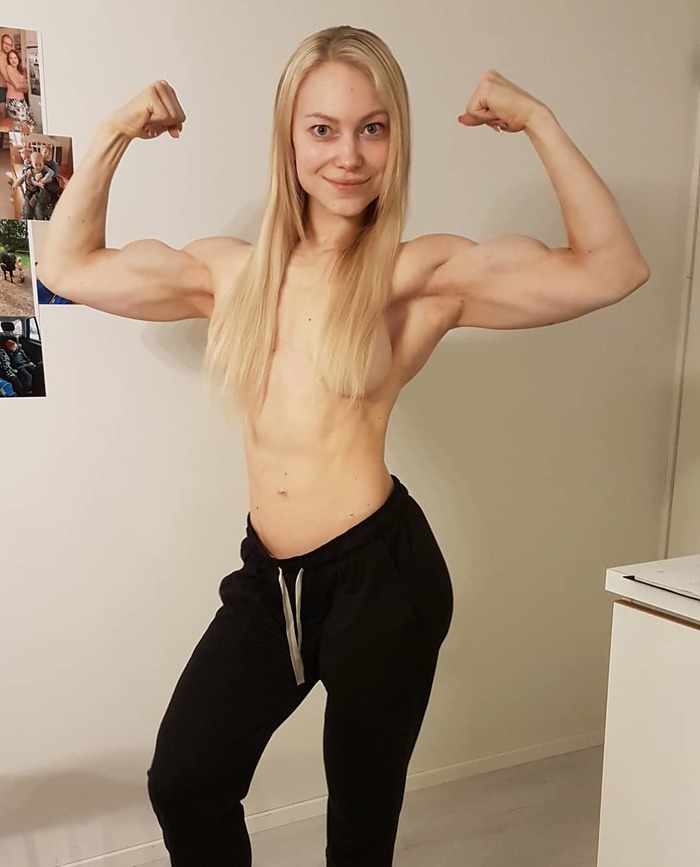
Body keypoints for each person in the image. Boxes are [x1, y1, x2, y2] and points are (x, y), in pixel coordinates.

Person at [37, 25, 650, 867]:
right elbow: (66, 266)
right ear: (289, 139)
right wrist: (114, 132)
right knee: (186, 779)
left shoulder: (417, 274)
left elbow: (612, 267)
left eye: (373, 128)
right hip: (269, 584)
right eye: (323, 129)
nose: (349, 155)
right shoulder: (231, 274)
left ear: (397, 138)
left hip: (383, 582)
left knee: (358, 831)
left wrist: (537, 119)